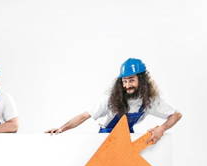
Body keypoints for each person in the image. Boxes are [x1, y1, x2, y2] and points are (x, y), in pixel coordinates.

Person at [46, 58, 182, 144]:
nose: (127, 86)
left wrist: (162, 129)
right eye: (125, 81)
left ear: (142, 80)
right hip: (105, 139)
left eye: (132, 80)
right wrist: (61, 129)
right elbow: (84, 116)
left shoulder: (150, 100)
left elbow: (176, 115)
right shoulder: (110, 99)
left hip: (128, 139)